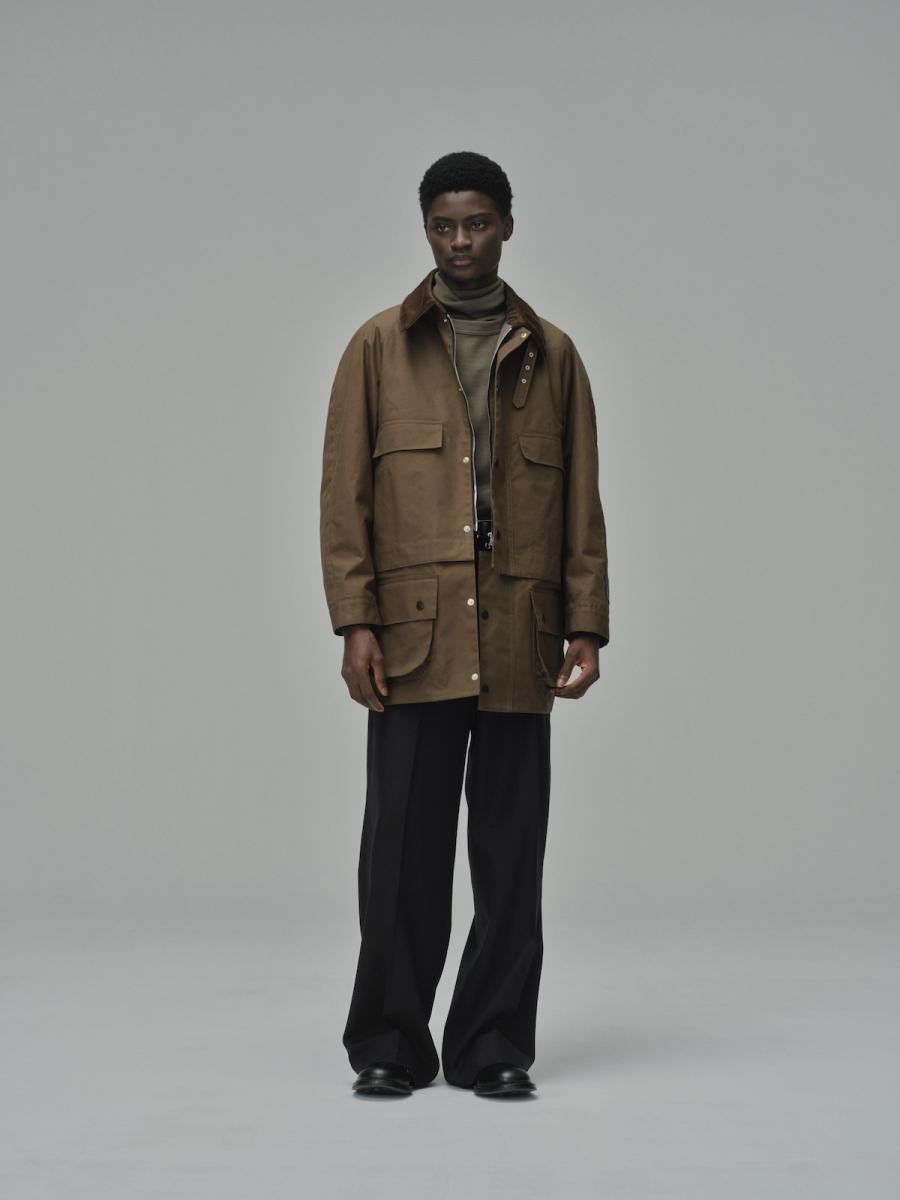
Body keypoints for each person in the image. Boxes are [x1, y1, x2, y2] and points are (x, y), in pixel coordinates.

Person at [318, 150, 610, 1098]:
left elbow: (581, 506)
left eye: (476, 223)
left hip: (521, 635)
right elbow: (345, 500)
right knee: (401, 849)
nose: (460, 242)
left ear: (506, 227)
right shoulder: (377, 348)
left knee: (511, 853)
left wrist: (586, 626)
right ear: (426, 230)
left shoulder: (554, 355)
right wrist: (354, 622)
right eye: (443, 226)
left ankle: (492, 1044)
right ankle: (391, 1042)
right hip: (414, 637)